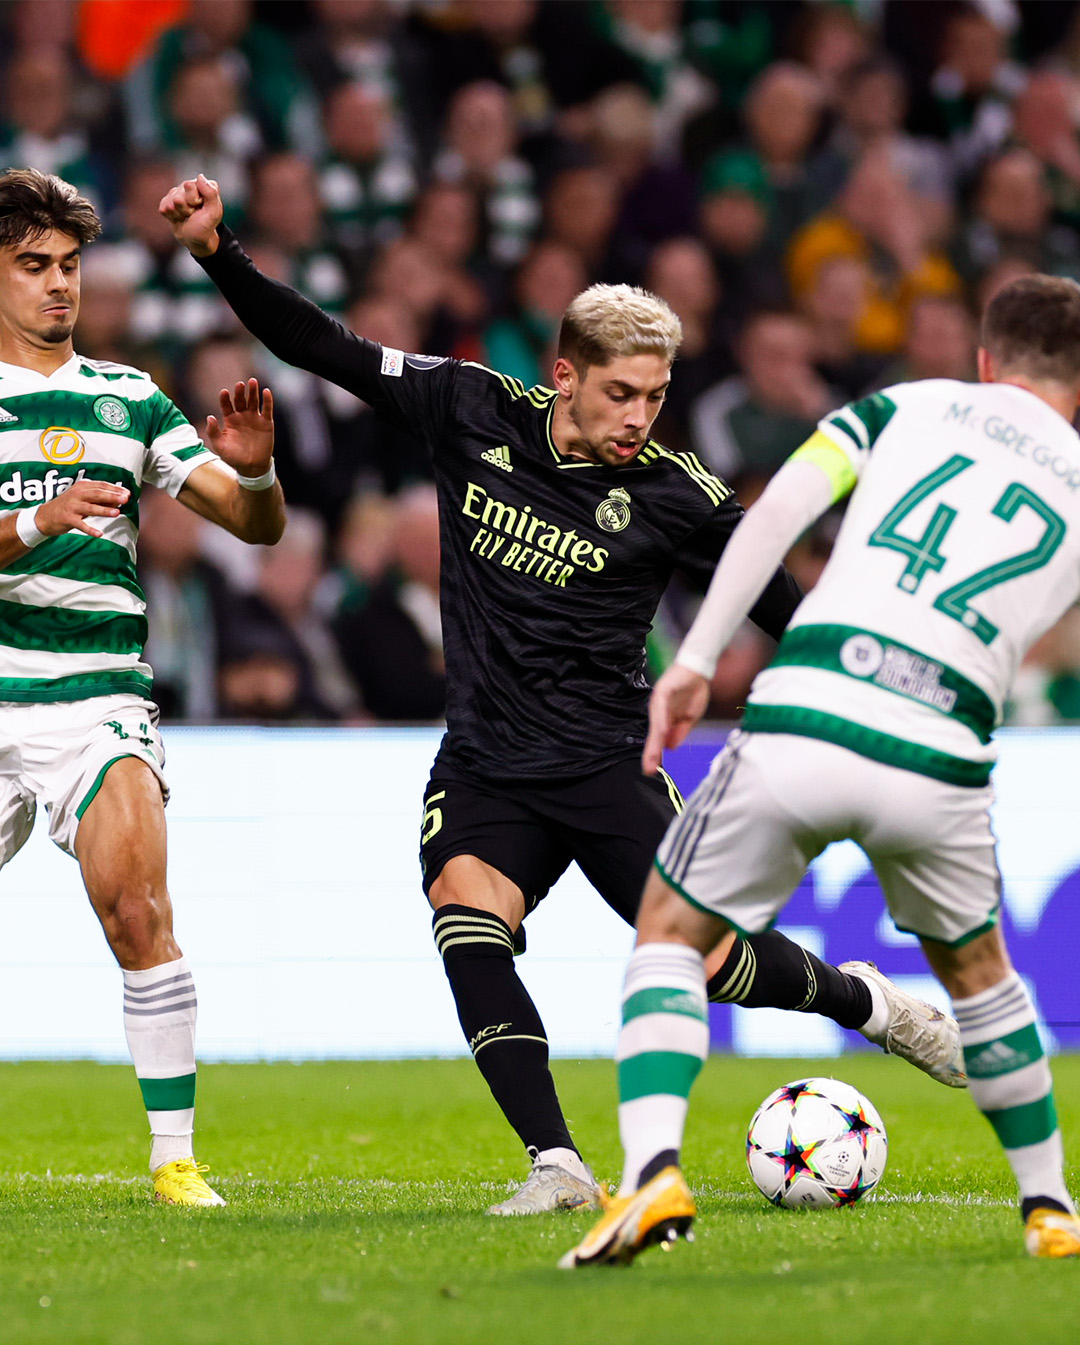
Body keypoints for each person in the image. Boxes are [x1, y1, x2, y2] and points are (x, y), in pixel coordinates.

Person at [160, 173, 963, 1217]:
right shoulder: (468, 408)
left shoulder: (675, 493)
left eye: (655, 396)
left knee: (716, 965)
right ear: (565, 374)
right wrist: (218, 249)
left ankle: (870, 1003)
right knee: (466, 915)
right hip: (487, 759)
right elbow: (322, 345)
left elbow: (777, 597)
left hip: (608, 763)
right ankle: (557, 1162)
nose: (638, 417)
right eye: (620, 393)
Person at [561, 273, 1080, 1268]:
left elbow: (770, 519)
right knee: (983, 978)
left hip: (811, 705)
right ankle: (1050, 1205)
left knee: (670, 932)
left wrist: (696, 661)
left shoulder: (905, 406)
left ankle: (654, 1171)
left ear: (985, 360)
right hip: (940, 746)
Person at [0, 168, 284, 1207]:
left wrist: (255, 472)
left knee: (138, 908)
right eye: (33, 265)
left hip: (98, 702)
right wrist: (37, 521)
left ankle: (175, 1159)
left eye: (70, 264)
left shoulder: (129, 397)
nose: (59, 284)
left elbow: (253, 525)